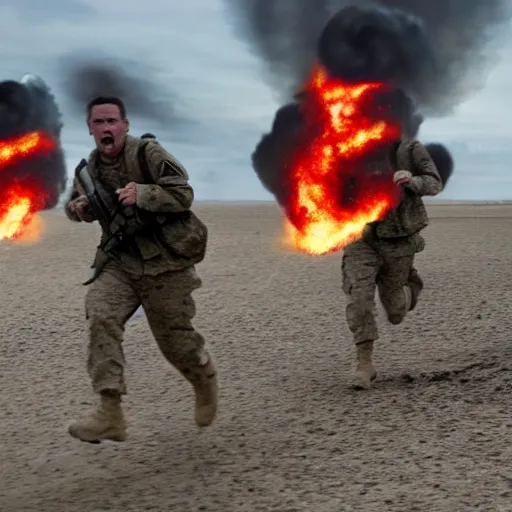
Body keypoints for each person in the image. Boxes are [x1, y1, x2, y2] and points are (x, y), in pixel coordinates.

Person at [64, 96, 218, 443]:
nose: (106, 128)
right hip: (122, 263)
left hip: (166, 264)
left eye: (112, 121)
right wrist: (79, 208)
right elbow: (72, 206)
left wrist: (145, 194)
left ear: (125, 125)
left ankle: (203, 379)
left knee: (176, 344)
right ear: (90, 128)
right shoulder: (86, 172)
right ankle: (110, 412)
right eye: (99, 122)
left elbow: (183, 193)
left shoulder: (147, 153)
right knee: (101, 314)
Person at [341, 138, 446, 390]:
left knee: (396, 312)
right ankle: (364, 364)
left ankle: (410, 282)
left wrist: (411, 180)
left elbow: (434, 182)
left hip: (398, 240)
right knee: (360, 299)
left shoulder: (409, 150)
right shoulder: (348, 145)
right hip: (360, 238)